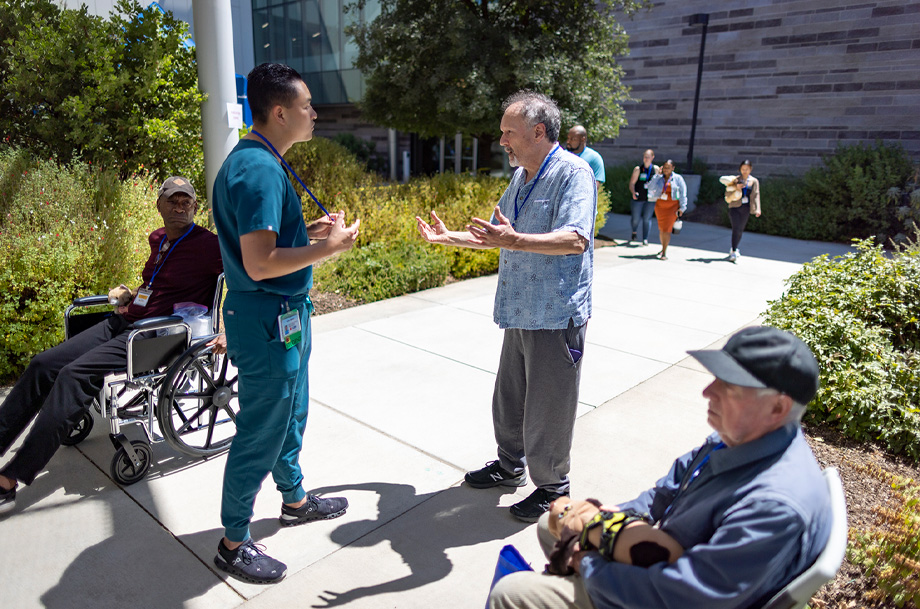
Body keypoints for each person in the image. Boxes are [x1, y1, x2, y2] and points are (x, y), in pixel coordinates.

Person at [489, 325, 832, 609]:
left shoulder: (775, 504)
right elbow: (661, 494)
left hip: (667, 592)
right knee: (554, 523)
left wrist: (588, 562)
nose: (707, 391)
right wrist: (603, 521)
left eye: (727, 385)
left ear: (777, 408)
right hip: (662, 562)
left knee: (512, 593)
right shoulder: (738, 440)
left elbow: (684, 597)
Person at [210, 62, 361, 585]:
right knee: (262, 428)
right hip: (266, 317)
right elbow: (258, 262)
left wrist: (308, 230)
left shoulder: (262, 160)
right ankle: (233, 541)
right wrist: (327, 247)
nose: (314, 114)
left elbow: (268, 240)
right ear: (279, 112)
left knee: (291, 411)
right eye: (306, 106)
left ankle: (294, 500)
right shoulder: (256, 169)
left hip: (283, 316)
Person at [417, 91, 596, 523]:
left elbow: (576, 238)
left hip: (555, 313)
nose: (502, 141)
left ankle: (553, 486)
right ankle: (509, 465)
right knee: (510, 396)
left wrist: (514, 240)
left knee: (548, 404)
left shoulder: (574, 174)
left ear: (538, 132)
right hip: (520, 309)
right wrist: (450, 237)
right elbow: (498, 234)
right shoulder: (522, 176)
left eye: (508, 133)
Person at [0, 176, 224, 515]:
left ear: (195, 207)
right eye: (172, 200)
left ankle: (11, 477)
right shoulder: (159, 237)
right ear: (159, 205)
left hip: (157, 335)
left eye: (186, 201)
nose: (179, 206)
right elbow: (155, 281)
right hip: (125, 321)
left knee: (74, 375)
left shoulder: (210, 245)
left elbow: (247, 271)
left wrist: (230, 330)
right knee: (43, 364)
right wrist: (130, 294)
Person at [720, 160, 761, 262]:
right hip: (735, 206)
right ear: (740, 169)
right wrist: (737, 187)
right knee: (736, 228)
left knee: (740, 230)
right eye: (743, 169)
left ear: (750, 169)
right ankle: (733, 251)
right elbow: (728, 192)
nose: (745, 171)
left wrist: (757, 209)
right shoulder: (735, 180)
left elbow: (756, 195)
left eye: (747, 169)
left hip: (746, 208)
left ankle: (735, 247)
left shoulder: (754, 181)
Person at [646, 160, 687, 261]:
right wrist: (656, 175)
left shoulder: (678, 179)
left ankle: (664, 252)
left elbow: (683, 194)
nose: (666, 170)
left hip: (672, 208)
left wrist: (682, 207)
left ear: (673, 168)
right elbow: (650, 187)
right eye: (664, 167)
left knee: (667, 230)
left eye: (668, 168)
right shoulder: (659, 178)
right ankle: (662, 246)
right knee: (662, 229)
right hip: (660, 207)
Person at [627, 149, 659, 245]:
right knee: (635, 219)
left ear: (652, 158)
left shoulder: (655, 169)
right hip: (638, 198)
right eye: (645, 157)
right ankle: (634, 232)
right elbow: (632, 183)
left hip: (650, 199)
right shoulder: (638, 169)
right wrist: (633, 192)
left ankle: (645, 238)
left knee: (647, 218)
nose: (646, 159)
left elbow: (659, 183)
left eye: (648, 157)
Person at [566, 125, 605, 190]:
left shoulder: (594, 158)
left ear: (582, 139)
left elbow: (595, 187)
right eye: (568, 138)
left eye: (573, 139)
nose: (568, 142)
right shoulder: (563, 156)